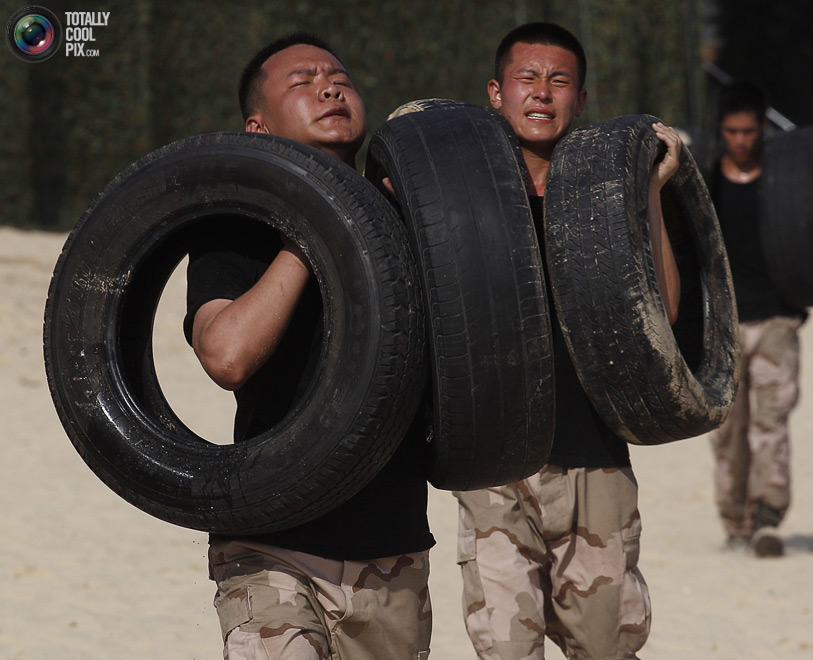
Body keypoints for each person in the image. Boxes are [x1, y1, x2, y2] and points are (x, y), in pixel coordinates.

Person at [183, 33, 434, 659]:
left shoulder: (416, 222)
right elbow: (227, 357)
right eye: (303, 81)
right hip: (270, 541)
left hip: (391, 548)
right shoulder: (232, 229)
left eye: (339, 77)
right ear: (257, 126)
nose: (329, 87)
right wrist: (315, 225)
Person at [452, 22, 682, 660]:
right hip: (494, 464)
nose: (542, 94)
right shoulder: (461, 202)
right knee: (504, 649)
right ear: (497, 92)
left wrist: (651, 195)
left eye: (560, 82)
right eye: (528, 78)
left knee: (607, 648)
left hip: (593, 462)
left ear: (581, 100)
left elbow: (659, 311)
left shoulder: (610, 201)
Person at [708, 81, 813, 558]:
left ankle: (768, 519)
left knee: (771, 425)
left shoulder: (785, 178)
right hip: (722, 328)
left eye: (749, 131)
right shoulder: (706, 179)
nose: (740, 141)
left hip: (776, 321)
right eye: (732, 131)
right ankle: (735, 524)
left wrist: (812, 163)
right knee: (727, 435)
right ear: (722, 131)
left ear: (763, 129)